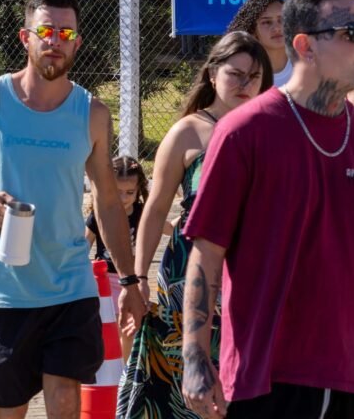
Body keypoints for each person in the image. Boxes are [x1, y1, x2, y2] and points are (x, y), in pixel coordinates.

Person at [0, 0, 147, 419]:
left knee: (67, 398)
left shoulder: (91, 113)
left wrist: (130, 280)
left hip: (70, 284)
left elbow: (108, 200)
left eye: (65, 32)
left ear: (77, 42)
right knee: (7, 411)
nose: (55, 41)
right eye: (45, 31)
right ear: (25, 37)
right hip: (4, 289)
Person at [182, 0, 354, 419]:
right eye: (350, 32)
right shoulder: (245, 132)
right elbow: (206, 253)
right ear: (306, 45)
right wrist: (196, 360)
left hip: (349, 371)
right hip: (269, 375)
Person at [117, 30, 272, 418]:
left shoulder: (271, 128)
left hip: (252, 273)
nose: (244, 83)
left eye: (254, 76)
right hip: (189, 275)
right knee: (185, 387)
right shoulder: (188, 131)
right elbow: (154, 211)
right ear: (212, 74)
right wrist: (135, 280)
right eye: (235, 73)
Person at [86, 156, 151, 362]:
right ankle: (105, 370)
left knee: (128, 330)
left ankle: (124, 372)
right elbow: (83, 245)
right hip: (104, 281)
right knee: (107, 327)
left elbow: (167, 227)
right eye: (118, 191)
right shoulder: (100, 214)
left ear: (139, 189)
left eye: (130, 193)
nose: (123, 198)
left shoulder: (142, 213)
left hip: (131, 282)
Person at [226, 0, 291, 88]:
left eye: (281, 20)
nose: (277, 28)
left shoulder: (308, 64)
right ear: (253, 31)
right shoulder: (242, 70)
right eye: (267, 22)